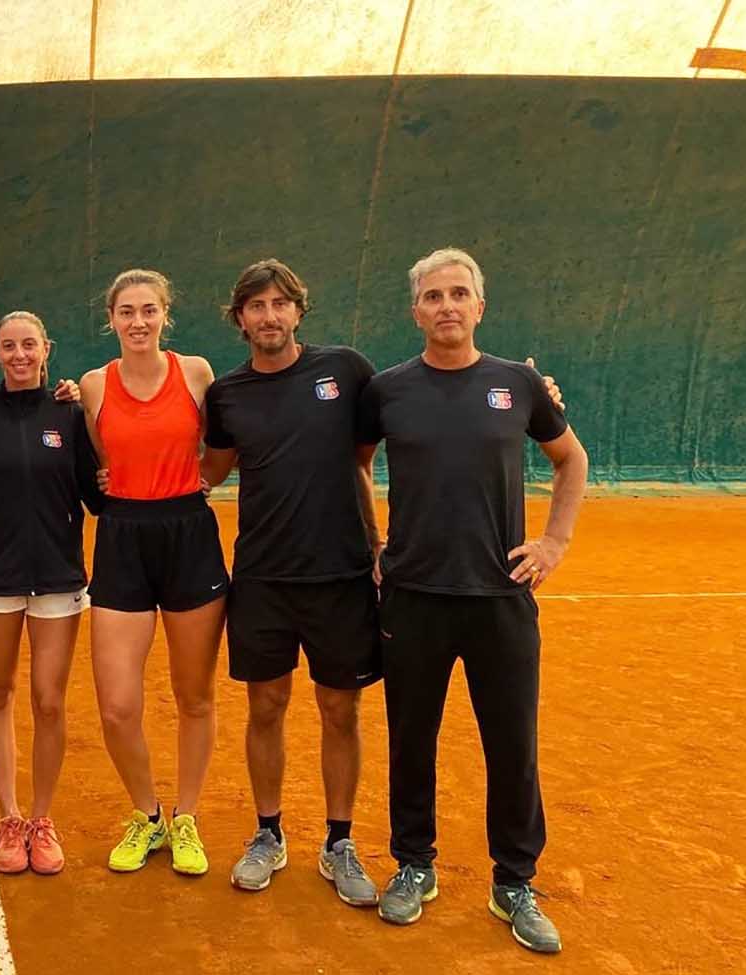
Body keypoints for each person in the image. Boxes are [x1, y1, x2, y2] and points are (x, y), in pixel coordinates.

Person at [356, 247, 587, 954]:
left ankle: (513, 880)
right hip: (413, 597)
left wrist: (553, 541)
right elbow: (356, 461)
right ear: (415, 310)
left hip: (500, 598)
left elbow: (570, 458)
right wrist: (373, 545)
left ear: (480, 306)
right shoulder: (388, 389)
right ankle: (414, 864)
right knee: (411, 739)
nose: (446, 306)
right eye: (433, 296)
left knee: (512, 744)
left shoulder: (518, 384)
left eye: (459, 293)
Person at [201, 259, 383, 903]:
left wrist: (377, 543)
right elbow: (208, 471)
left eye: (280, 304)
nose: (269, 316)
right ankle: (268, 833)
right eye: (256, 306)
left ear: (298, 311)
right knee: (266, 707)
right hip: (261, 579)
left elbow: (365, 458)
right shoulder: (226, 395)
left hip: (341, 575)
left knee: (341, 709)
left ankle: (339, 842)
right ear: (240, 318)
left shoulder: (346, 371)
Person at [79, 269, 227, 876]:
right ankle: (148, 816)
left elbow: (219, 449)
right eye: (126, 312)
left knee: (194, 696)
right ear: (110, 319)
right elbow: (98, 456)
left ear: (166, 314)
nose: (137, 321)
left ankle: (186, 817)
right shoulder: (92, 385)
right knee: (116, 705)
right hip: (121, 538)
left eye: (148, 310)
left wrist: (207, 480)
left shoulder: (197, 373)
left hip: (189, 535)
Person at [0, 311, 105, 875]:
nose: (19, 355)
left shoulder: (68, 413)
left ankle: (42, 819)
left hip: (59, 578)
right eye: (8, 346)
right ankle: (10, 816)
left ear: (46, 349)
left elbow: (98, 495)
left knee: (48, 699)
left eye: (29, 345)